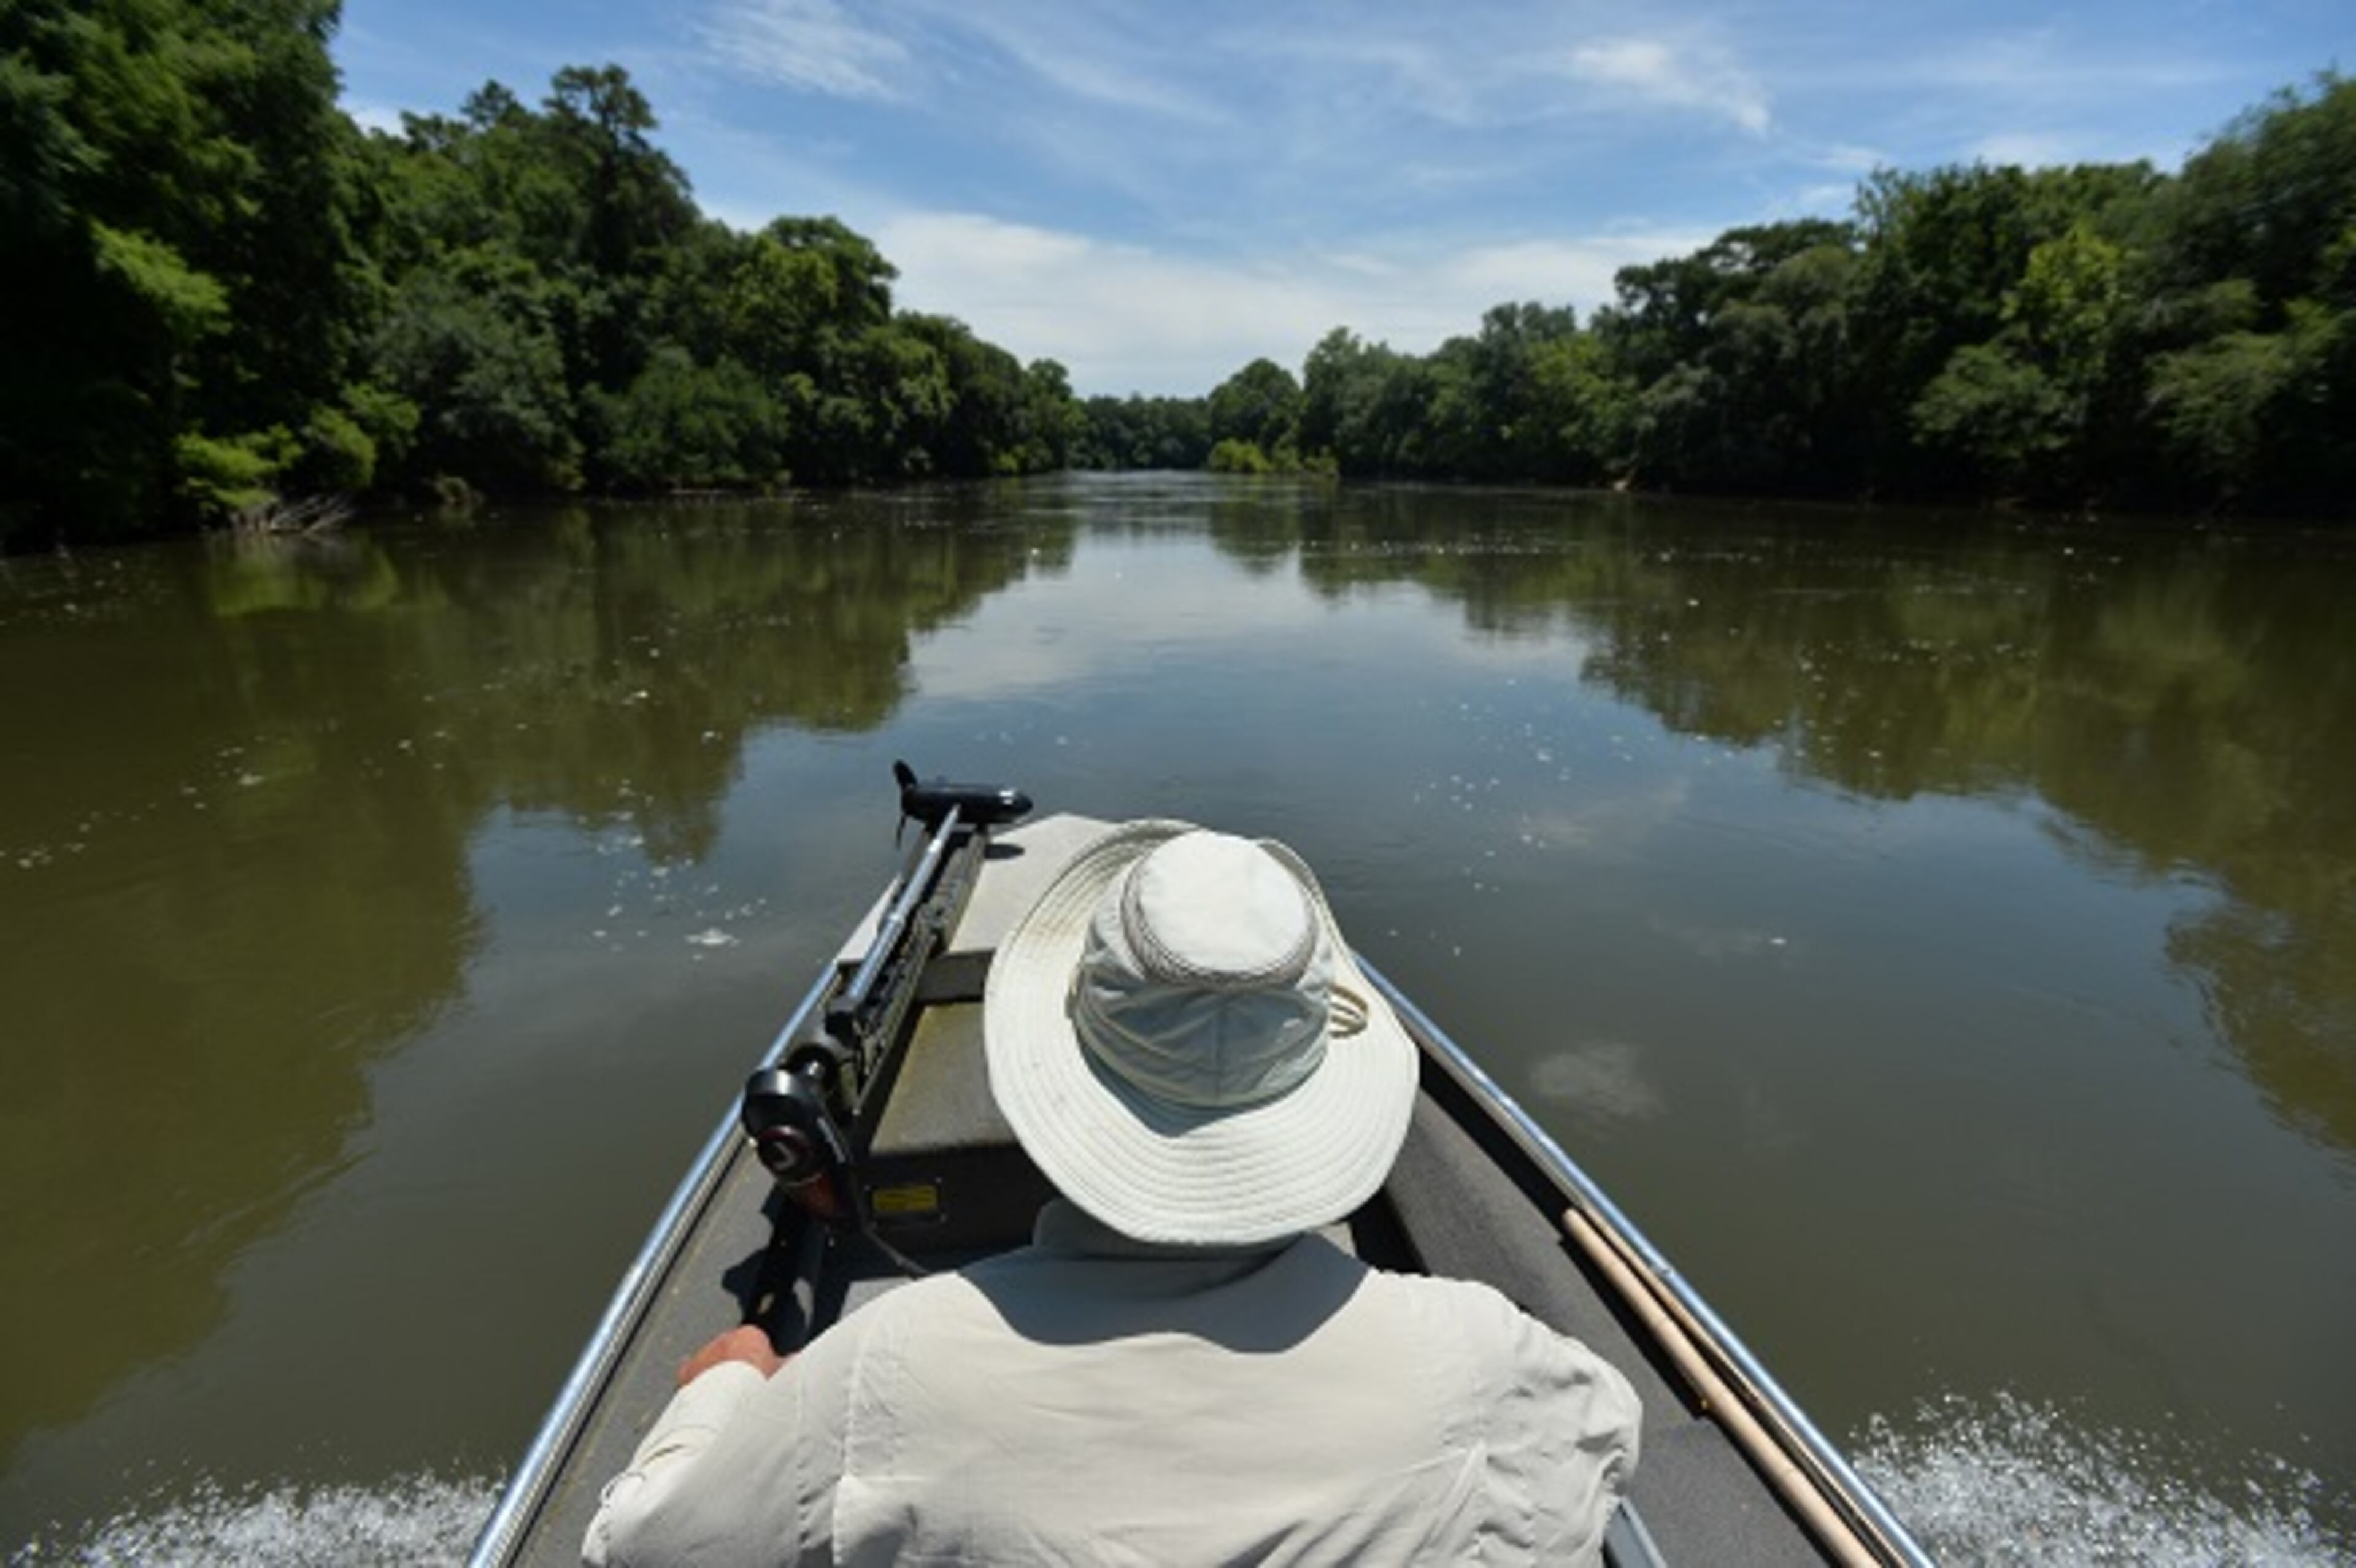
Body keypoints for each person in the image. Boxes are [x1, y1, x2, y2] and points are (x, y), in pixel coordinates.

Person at [585, 822, 1641, 1566]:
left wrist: (727, 1384)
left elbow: (642, 1546)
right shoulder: (1475, 1352)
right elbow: (1604, 1436)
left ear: (1063, 1066)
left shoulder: (883, 1372)